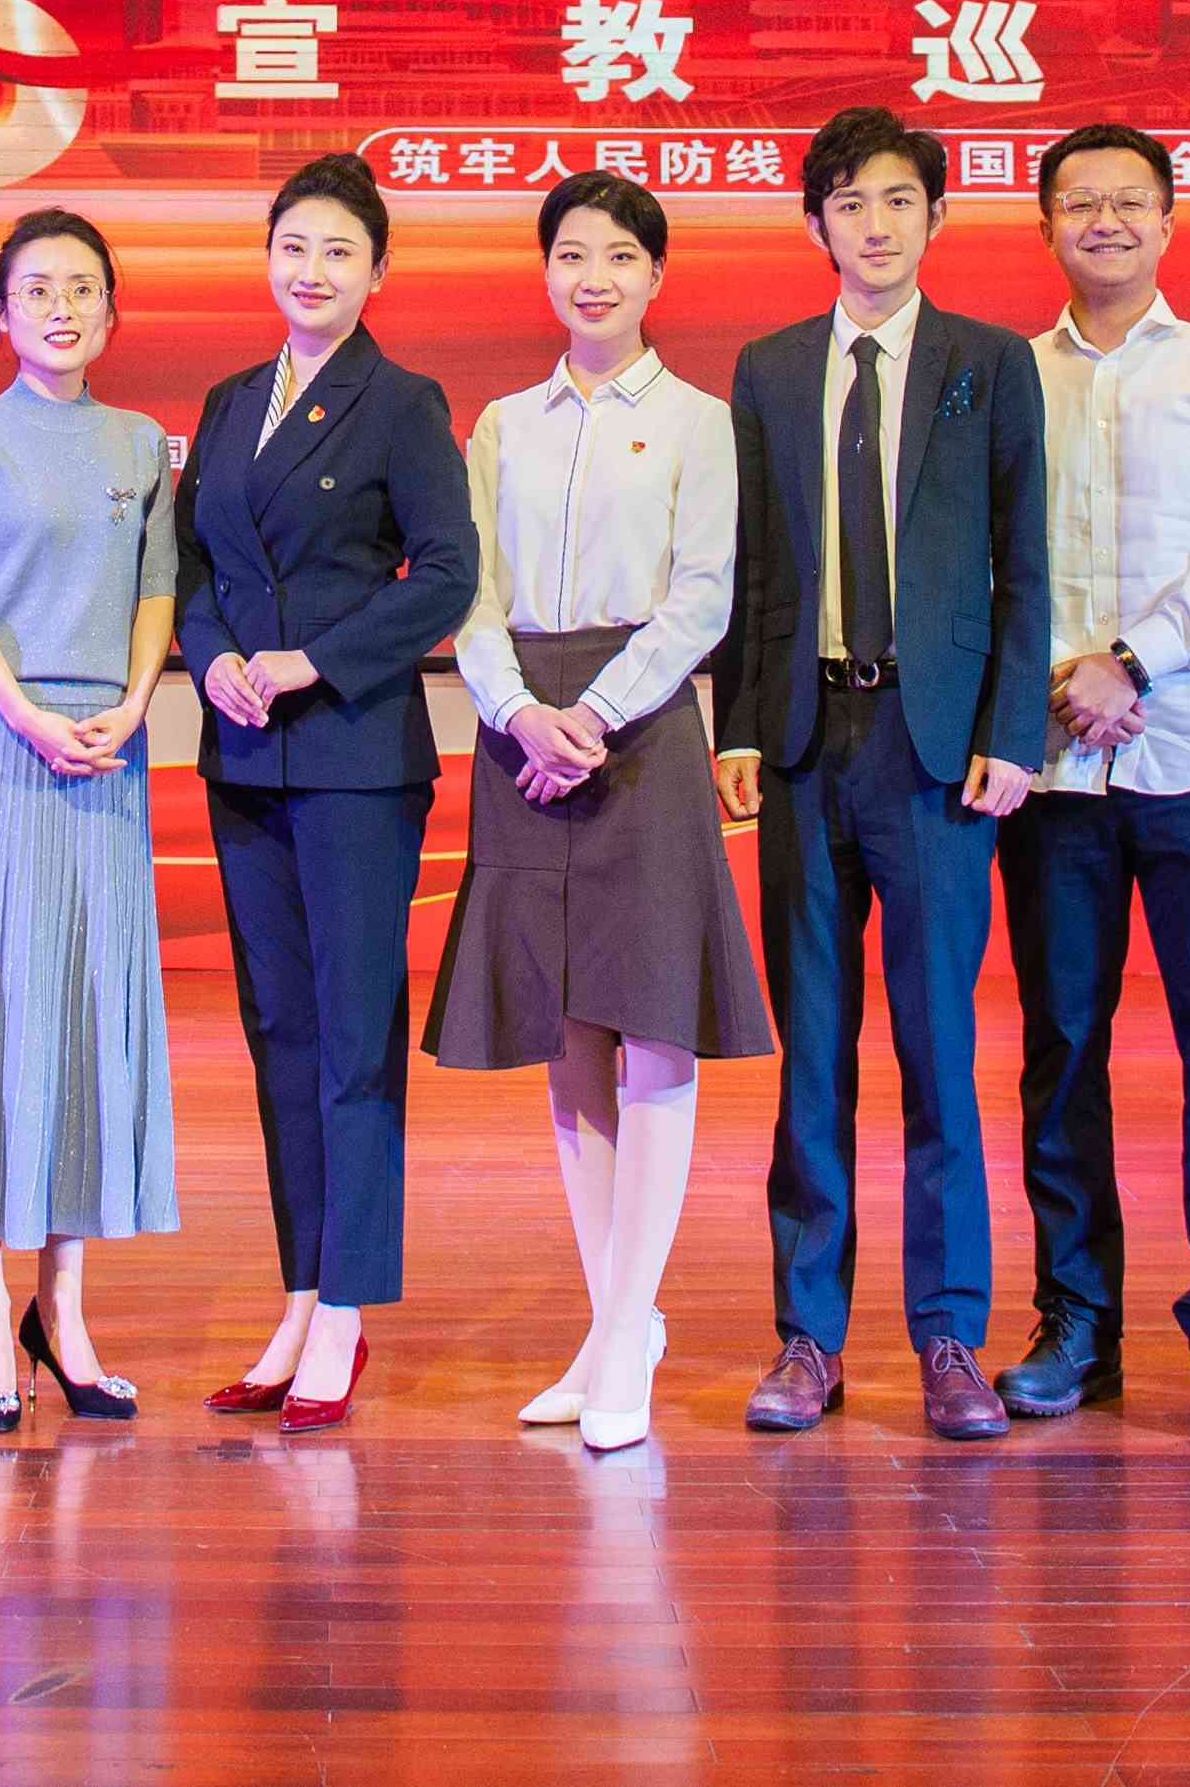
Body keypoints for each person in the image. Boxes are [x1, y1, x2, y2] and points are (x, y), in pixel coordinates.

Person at [711, 107, 1050, 1444]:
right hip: (806, 744)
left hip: (933, 746)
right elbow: (754, 566)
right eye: (850, 202)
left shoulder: (990, 362)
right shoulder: (769, 367)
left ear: (937, 215)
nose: (876, 224)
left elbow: (1024, 561)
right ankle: (808, 1334)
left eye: (900, 198)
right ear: (816, 224)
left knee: (937, 1047)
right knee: (812, 1052)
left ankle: (950, 1333)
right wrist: (740, 726)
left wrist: (1011, 730)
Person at [424, 168, 772, 1456]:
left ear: (655, 276)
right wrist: (521, 713)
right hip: (523, 732)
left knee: (653, 1025)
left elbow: (702, 595)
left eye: (620, 255)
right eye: (571, 253)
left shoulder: (698, 420)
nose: (594, 276)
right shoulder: (500, 425)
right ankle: (612, 1322)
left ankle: (626, 1334)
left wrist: (598, 715)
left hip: (642, 728)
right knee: (566, 1031)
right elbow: (468, 592)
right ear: (545, 271)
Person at [994, 122, 1190, 1440]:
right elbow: (982, 555)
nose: (1104, 221)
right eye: (1080, 203)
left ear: (1170, 222)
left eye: (1130, 201)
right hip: (1053, 768)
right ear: (1044, 225)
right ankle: (1076, 1321)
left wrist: (1130, 661)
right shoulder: (1002, 377)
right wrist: (1055, 684)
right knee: (1062, 1047)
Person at [180, 152, 475, 1434]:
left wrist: (317, 658)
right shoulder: (229, 398)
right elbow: (194, 568)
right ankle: (299, 1292)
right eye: (294, 246)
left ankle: (348, 1307)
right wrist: (212, 658)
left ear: (376, 272)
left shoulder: (401, 402)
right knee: (280, 1036)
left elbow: (447, 571)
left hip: (355, 755)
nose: (312, 270)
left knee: (353, 1040)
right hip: (244, 754)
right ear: (267, 257)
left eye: (339, 251)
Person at [0, 209, 180, 1433]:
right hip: (0, 747)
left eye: (83, 288)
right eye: (38, 289)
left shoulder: (141, 443)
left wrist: (133, 703)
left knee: (86, 1009)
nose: (62, 307)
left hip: (106, 750)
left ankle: (63, 1308)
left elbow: (157, 591)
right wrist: (25, 715)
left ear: (111, 310)